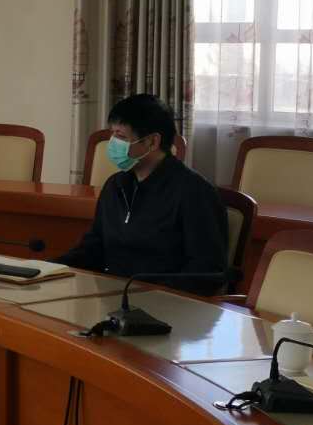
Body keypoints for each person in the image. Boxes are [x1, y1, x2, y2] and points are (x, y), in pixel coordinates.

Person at [57, 93, 227, 294]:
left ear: (152, 142)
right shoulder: (115, 185)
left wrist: (150, 295)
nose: (112, 143)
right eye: (112, 134)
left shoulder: (194, 193)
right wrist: (49, 268)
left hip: (166, 304)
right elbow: (94, 248)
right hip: (116, 299)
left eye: (121, 136)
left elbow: (206, 271)